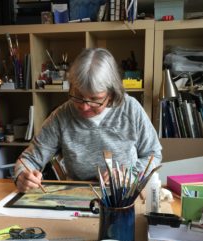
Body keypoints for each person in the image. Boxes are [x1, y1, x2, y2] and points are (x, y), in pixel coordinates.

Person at [14, 48, 162, 193]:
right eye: (78, 96)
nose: (84, 107)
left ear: (111, 93)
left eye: (95, 99)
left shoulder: (130, 109)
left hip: (124, 195)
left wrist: (130, 175)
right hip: (78, 197)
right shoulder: (62, 116)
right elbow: (28, 159)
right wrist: (22, 175)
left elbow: (154, 154)